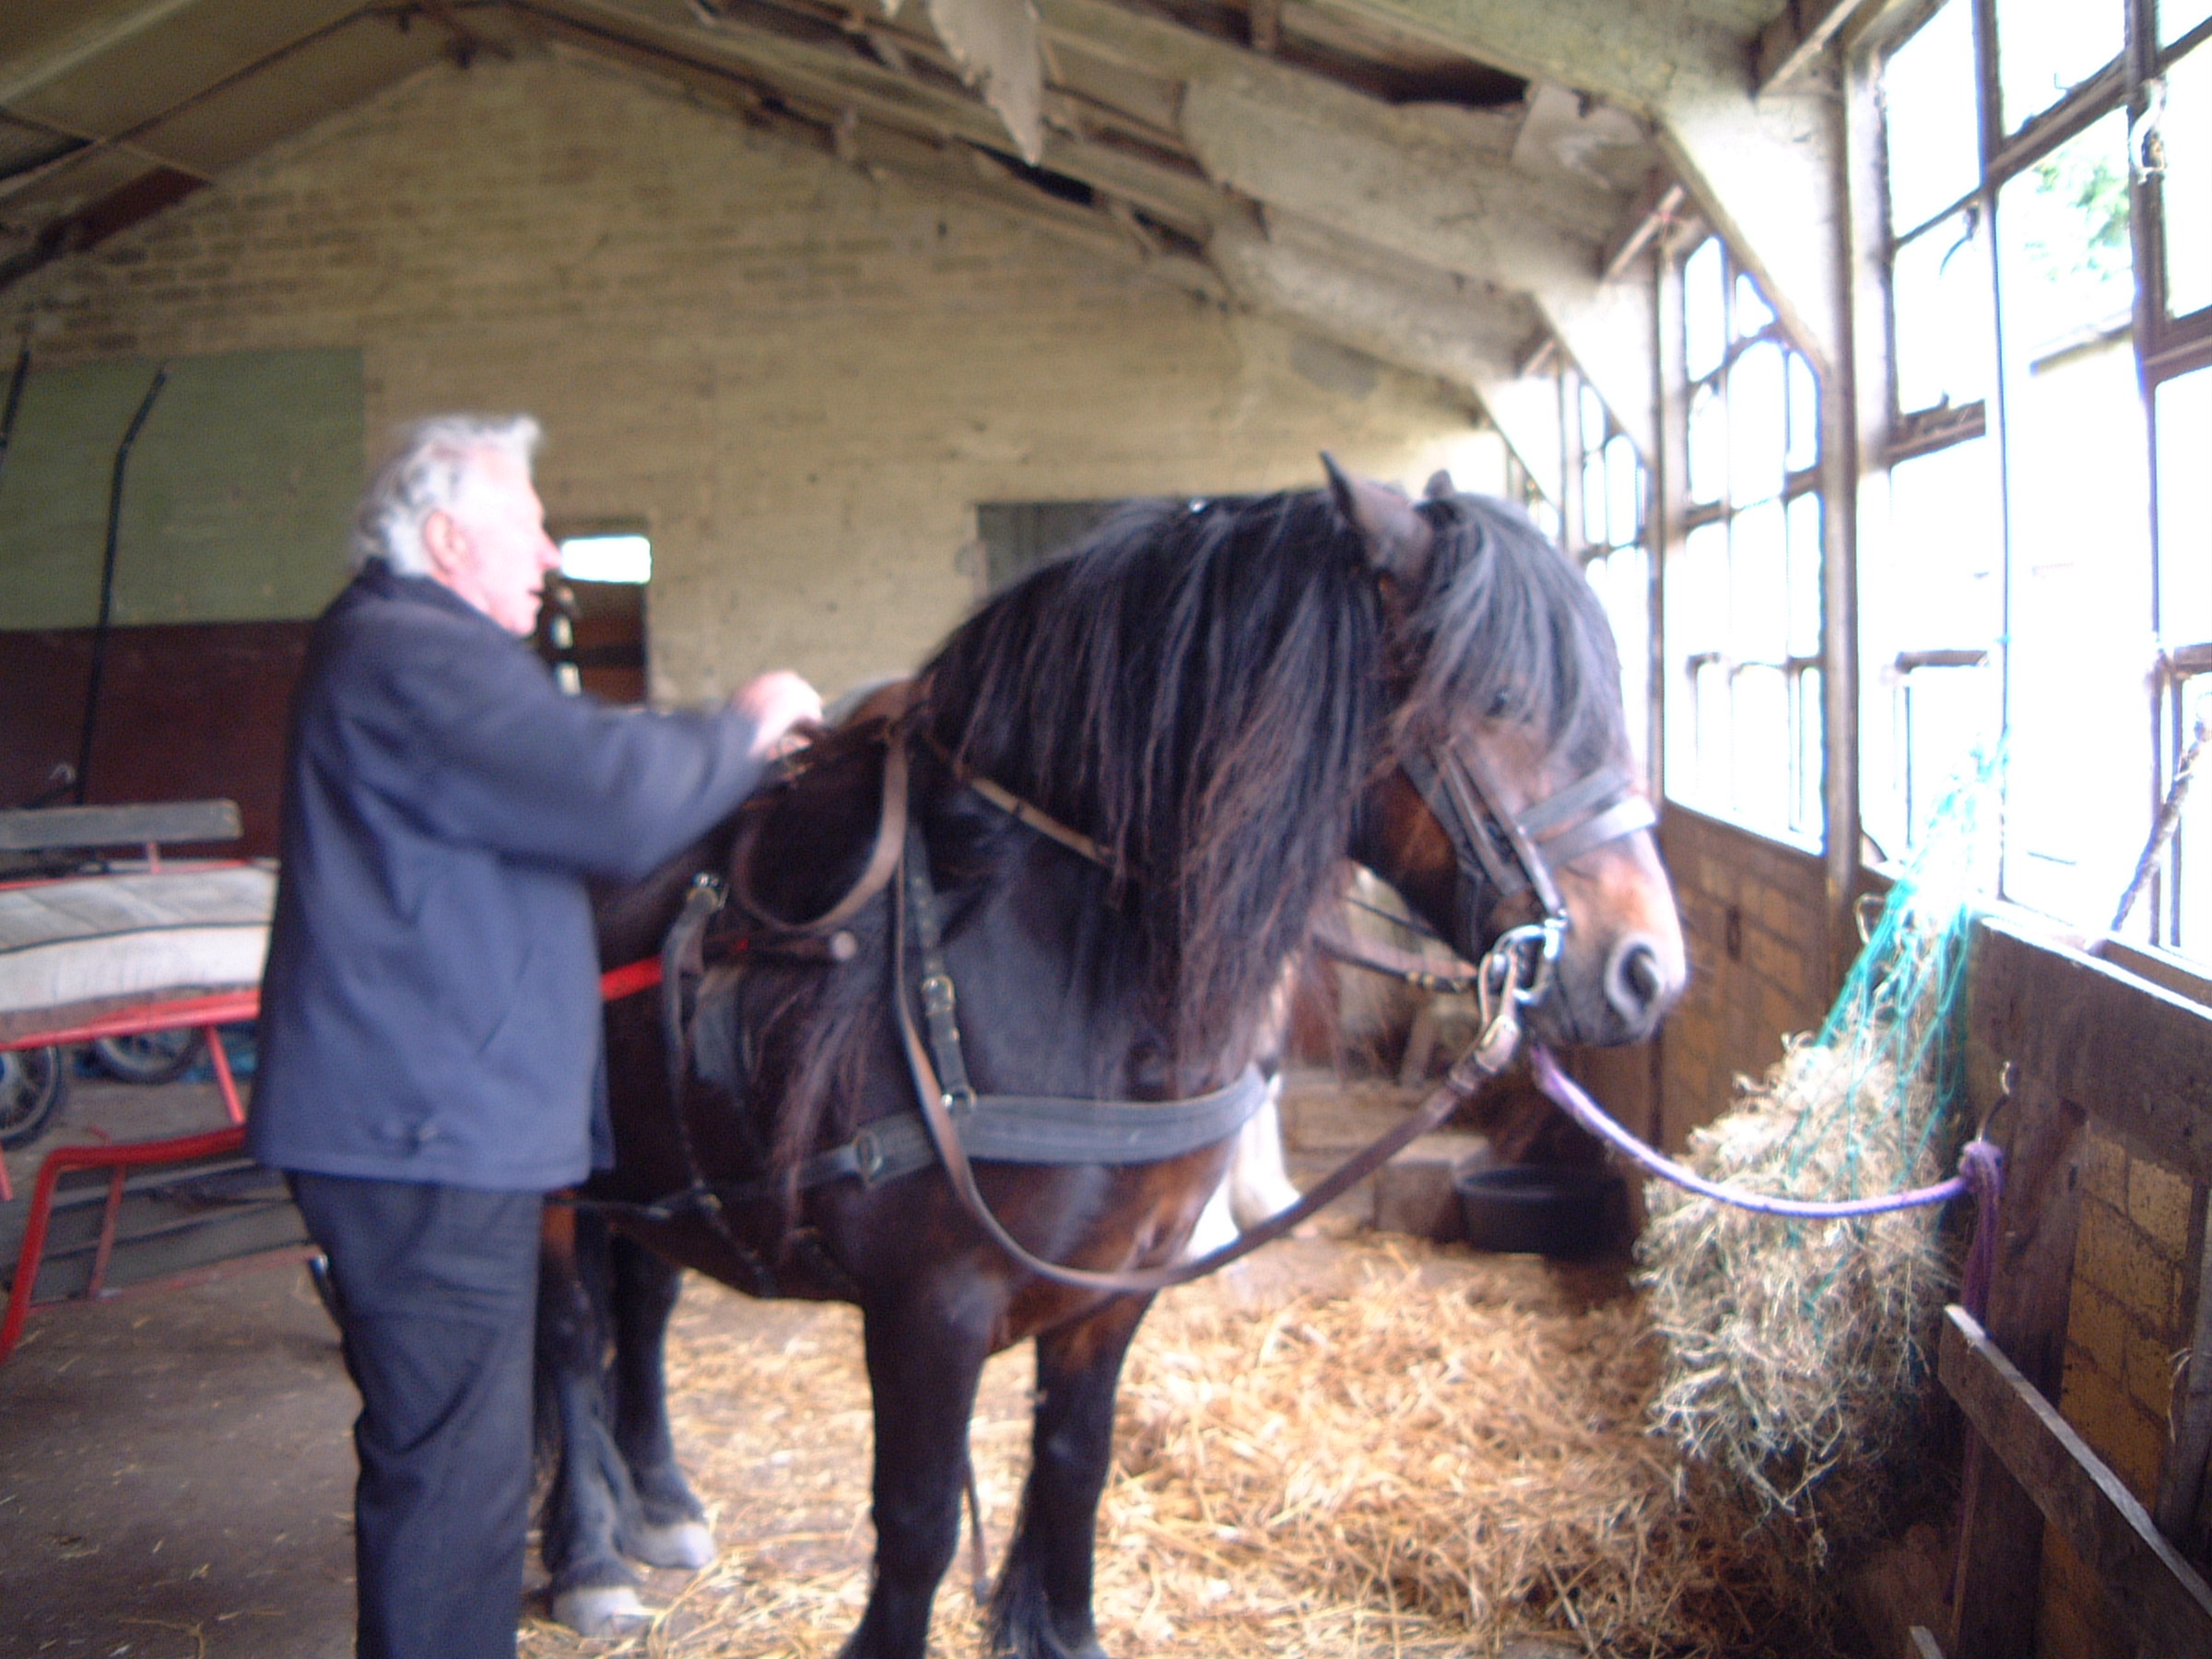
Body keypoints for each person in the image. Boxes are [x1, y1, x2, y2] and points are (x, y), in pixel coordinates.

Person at [250, 414, 819, 1659]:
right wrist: (744, 723)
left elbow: (573, 772)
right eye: (534, 523)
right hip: (420, 1132)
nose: (554, 552)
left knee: (463, 1449)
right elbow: (605, 795)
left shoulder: (414, 649)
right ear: (448, 535)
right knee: (454, 1468)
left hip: (436, 1122)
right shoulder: (408, 648)